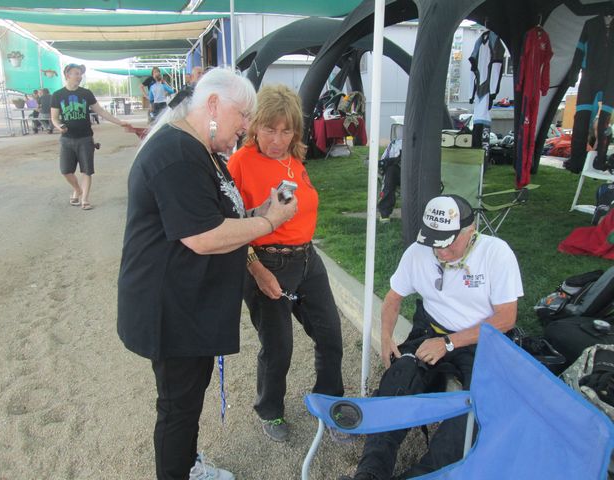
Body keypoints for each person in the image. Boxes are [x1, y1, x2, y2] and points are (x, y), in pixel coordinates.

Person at [117, 68, 298, 480]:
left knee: (187, 399)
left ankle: (186, 465)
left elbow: (216, 214)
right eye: (244, 115)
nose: (247, 126)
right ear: (213, 104)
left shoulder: (201, 150)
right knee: (177, 406)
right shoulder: (177, 154)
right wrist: (269, 223)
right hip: (170, 307)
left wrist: (258, 212)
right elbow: (202, 236)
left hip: (189, 304)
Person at [341, 194, 523, 480]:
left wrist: (449, 343)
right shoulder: (418, 251)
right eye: (434, 242)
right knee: (398, 378)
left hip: (482, 342)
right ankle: (370, 473)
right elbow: (393, 298)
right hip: (432, 331)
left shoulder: (496, 253)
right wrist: (386, 338)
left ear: (470, 231)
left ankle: (423, 475)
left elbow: (506, 318)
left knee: (475, 410)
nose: (441, 251)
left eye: (448, 243)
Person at [227, 84, 344, 442]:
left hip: (308, 260)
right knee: (278, 347)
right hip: (266, 262)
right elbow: (229, 226)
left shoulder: (294, 160)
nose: (277, 139)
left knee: (330, 334)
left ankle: (330, 401)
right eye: (269, 129)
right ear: (255, 125)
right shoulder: (240, 162)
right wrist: (256, 269)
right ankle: (270, 409)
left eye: (286, 130)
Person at [50, 63, 131, 210]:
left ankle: (85, 199)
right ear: (67, 75)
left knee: (87, 170)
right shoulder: (57, 95)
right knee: (65, 171)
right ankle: (77, 189)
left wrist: (119, 122)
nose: (79, 76)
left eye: (80, 74)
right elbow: (54, 118)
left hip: (85, 138)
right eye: (76, 73)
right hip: (67, 139)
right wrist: (59, 126)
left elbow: (101, 111)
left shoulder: (86, 93)